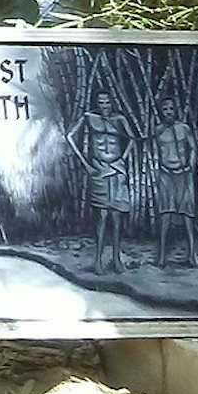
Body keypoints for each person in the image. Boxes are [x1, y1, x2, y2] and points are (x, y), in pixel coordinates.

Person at [69, 89, 133, 273]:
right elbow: (70, 137)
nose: (104, 106)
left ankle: (116, 259)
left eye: (107, 102)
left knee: (117, 216)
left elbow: (131, 140)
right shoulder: (89, 117)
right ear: (97, 103)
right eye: (101, 102)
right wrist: (86, 164)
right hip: (98, 168)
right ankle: (97, 260)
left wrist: (123, 159)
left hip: (117, 168)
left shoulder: (120, 119)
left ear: (112, 102)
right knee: (102, 217)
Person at [150, 95, 198, 268]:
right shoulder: (158, 130)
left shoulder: (184, 128)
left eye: (171, 108)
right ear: (161, 112)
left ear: (176, 110)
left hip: (184, 174)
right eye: (165, 109)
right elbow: (155, 151)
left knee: (187, 214)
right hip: (166, 175)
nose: (169, 112)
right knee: (165, 214)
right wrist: (158, 169)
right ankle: (162, 255)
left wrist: (190, 167)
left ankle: (191, 254)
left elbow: (193, 148)